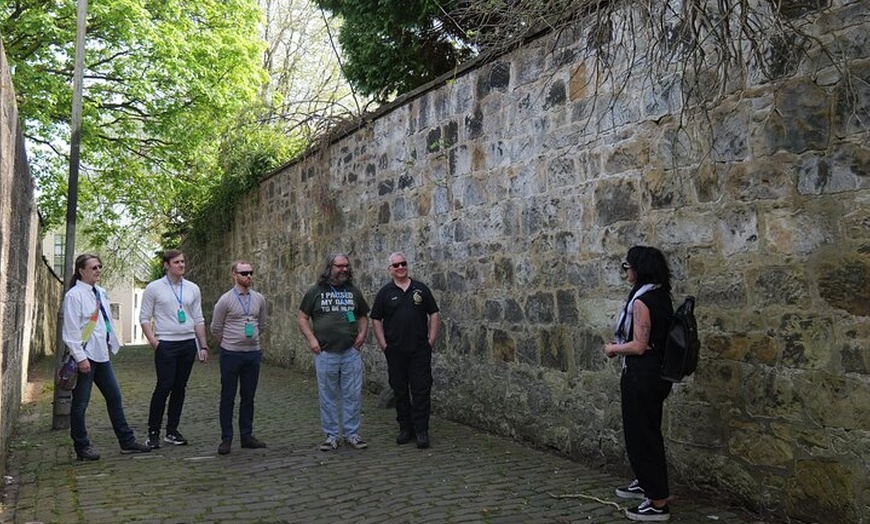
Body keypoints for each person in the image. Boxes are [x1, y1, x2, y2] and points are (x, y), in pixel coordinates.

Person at [605, 246, 675, 522]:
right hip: (657, 374)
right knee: (646, 431)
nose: (625, 271)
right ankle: (647, 483)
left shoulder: (642, 302)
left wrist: (612, 348)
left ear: (639, 269)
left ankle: (657, 503)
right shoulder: (661, 295)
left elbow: (639, 345)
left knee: (641, 435)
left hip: (642, 375)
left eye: (627, 266)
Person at [62, 254, 151, 460]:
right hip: (86, 357)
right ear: (81, 271)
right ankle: (82, 447)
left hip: (101, 355)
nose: (98, 270)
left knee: (114, 397)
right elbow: (71, 331)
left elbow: (105, 321)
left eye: (99, 267)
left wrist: (112, 342)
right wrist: (80, 357)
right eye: (93, 267)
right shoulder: (74, 296)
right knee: (80, 404)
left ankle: (126, 441)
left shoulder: (100, 292)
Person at [297, 253, 370, 452]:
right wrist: (311, 340)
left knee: (352, 394)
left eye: (346, 266)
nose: (344, 270)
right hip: (325, 353)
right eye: (339, 266)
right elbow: (302, 317)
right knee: (327, 396)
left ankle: (352, 434)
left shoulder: (353, 291)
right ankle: (331, 436)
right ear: (329, 268)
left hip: (350, 352)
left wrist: (363, 334)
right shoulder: (315, 292)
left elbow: (363, 315)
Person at [140, 249, 209, 449]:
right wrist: (154, 342)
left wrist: (202, 345)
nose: (181, 265)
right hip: (166, 344)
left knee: (180, 388)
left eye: (183, 261)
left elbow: (198, 318)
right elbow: (144, 317)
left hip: (187, 343)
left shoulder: (192, 288)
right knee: (164, 386)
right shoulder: (154, 288)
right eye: (177, 262)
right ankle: (153, 432)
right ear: (167, 265)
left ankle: (172, 430)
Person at [371, 252, 441, 449]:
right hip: (395, 351)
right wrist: (383, 344)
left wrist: (431, 340)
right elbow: (376, 319)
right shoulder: (385, 293)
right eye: (396, 265)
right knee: (400, 390)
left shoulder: (420, 289)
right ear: (390, 270)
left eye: (403, 264)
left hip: (419, 350)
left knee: (421, 390)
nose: (400, 267)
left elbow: (434, 313)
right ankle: (405, 428)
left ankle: (421, 431)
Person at [211, 261, 268, 455]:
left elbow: (262, 324)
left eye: (251, 272)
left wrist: (251, 341)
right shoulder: (225, 300)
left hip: (252, 353)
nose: (248, 276)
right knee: (228, 397)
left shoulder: (259, 298)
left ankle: (247, 435)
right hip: (231, 354)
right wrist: (230, 343)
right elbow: (216, 328)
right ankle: (226, 438)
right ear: (234, 275)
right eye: (244, 273)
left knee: (248, 397)